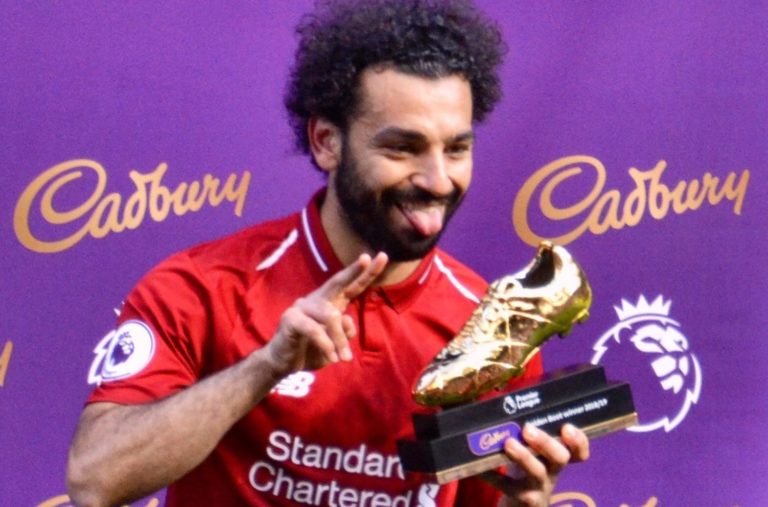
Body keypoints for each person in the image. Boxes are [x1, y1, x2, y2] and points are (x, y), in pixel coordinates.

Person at [66, 1, 589, 505]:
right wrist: (267, 366)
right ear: (325, 141)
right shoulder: (202, 286)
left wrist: (522, 502)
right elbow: (96, 479)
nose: (437, 180)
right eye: (402, 148)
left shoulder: (494, 325)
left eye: (456, 149)